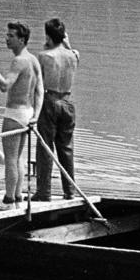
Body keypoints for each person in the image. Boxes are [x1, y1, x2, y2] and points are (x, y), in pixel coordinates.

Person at [0, 21, 43, 205]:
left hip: (14, 113)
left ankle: (9, 197)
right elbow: (40, 90)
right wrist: (36, 115)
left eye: (11, 36)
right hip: (27, 112)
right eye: (7, 35)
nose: (7, 39)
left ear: (22, 39)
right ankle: (17, 194)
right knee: (17, 157)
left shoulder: (19, 61)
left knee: (10, 158)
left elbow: (4, 86)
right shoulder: (34, 59)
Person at [34, 17, 81, 201]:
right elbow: (71, 52)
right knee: (66, 147)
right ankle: (70, 190)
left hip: (50, 100)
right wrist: (65, 44)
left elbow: (39, 84)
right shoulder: (74, 55)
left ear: (48, 36)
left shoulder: (44, 56)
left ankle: (44, 191)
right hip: (68, 102)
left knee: (45, 147)